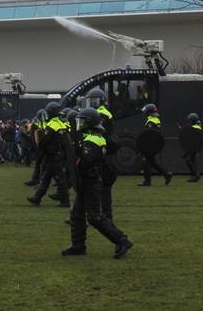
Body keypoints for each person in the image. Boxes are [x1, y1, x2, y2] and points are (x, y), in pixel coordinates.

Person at [62, 108, 133, 259]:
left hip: (91, 181)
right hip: (87, 181)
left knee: (94, 216)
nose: (79, 124)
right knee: (76, 214)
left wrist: (76, 151)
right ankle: (78, 246)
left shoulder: (92, 141)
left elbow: (85, 161)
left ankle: (122, 240)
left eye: (82, 121)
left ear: (89, 123)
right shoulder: (95, 137)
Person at [27, 102, 70, 207]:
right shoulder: (61, 123)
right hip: (59, 154)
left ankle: (64, 199)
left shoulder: (51, 125)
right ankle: (37, 197)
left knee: (59, 178)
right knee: (46, 177)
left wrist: (39, 142)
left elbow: (44, 140)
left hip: (53, 154)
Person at [138, 104, 172, 186]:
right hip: (155, 145)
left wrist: (144, 147)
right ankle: (166, 174)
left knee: (146, 163)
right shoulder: (156, 120)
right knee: (152, 163)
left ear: (148, 113)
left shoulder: (150, 122)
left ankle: (147, 181)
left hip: (150, 146)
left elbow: (149, 136)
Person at [182, 113, 203, 182]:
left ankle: (195, 176)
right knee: (190, 161)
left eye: (189, 121)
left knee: (191, 161)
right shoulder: (197, 127)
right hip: (194, 147)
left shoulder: (195, 128)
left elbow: (192, 138)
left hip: (193, 147)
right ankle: (195, 175)